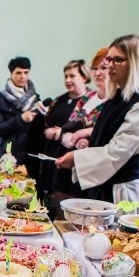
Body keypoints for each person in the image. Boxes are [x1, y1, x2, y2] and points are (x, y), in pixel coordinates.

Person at [55, 35, 139, 204]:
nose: (109, 66)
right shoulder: (118, 97)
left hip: (123, 190)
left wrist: (78, 158)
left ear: (135, 62)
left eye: (118, 60)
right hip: (105, 182)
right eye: (109, 59)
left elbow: (119, 150)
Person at [57, 49, 110, 198]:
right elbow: (70, 126)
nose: (98, 73)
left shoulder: (115, 102)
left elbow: (111, 133)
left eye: (103, 68)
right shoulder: (88, 98)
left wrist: (87, 136)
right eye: (95, 68)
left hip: (100, 167)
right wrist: (73, 138)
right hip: (77, 162)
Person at [39, 60, 90, 208]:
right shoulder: (59, 100)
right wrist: (47, 132)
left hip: (75, 158)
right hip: (55, 155)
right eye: (66, 76)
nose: (68, 80)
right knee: (59, 204)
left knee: (73, 206)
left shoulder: (90, 101)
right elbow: (46, 122)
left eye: (72, 76)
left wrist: (64, 133)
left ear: (84, 77)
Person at [0, 56, 43, 177]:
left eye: (26, 72)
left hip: (30, 156)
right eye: (18, 73)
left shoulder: (35, 98)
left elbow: (38, 130)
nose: (23, 76)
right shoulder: (1, 98)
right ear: (11, 73)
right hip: (6, 155)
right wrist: (21, 119)